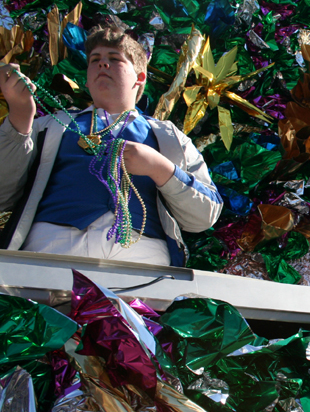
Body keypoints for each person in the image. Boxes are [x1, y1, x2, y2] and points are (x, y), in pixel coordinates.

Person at [0, 26, 222, 266]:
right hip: (53, 252)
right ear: (86, 77)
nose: (102, 64)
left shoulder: (169, 138)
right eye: (95, 60)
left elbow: (204, 217)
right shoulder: (49, 126)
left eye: (114, 59)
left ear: (140, 78)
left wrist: (159, 168)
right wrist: (20, 120)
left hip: (142, 261)